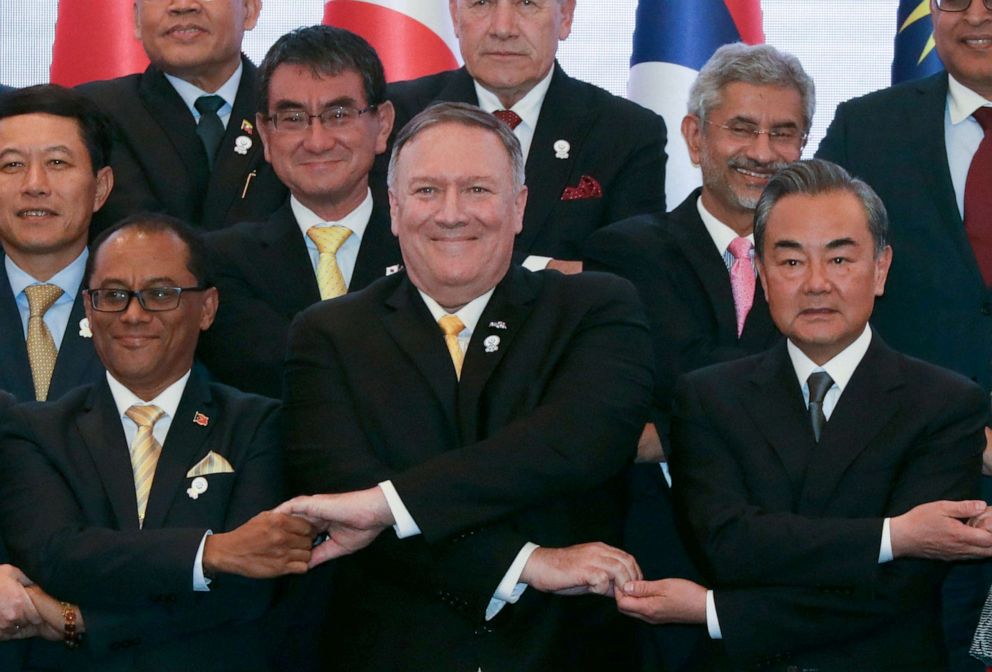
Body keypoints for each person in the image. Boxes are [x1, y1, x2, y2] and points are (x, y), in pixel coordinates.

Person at [277, 102, 653, 671]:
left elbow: (577, 443)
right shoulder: (327, 334)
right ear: (396, 210)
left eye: (478, 190)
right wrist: (525, 562)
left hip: (566, 651)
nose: (453, 214)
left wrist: (389, 502)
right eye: (427, 192)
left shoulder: (594, 307)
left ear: (519, 206)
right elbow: (343, 501)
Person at [616, 159, 990, 670]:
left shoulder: (947, 403)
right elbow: (729, 546)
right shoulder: (707, 398)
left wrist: (715, 611)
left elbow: (899, 588)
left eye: (840, 260)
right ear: (763, 275)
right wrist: (891, 535)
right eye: (791, 262)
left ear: (880, 268)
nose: (816, 284)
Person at [583, 42, 811, 671]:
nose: (762, 152)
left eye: (783, 132)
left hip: (794, 571)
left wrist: (674, 418)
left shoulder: (827, 268)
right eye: (741, 127)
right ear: (694, 135)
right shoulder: (624, 257)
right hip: (655, 570)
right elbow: (617, 422)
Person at [0, 214, 314, 671]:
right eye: (113, 295)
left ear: (207, 308)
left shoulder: (256, 424)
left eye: (161, 294)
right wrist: (211, 552)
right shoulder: (37, 430)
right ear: (89, 308)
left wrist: (82, 620)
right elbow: (61, 556)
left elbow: (249, 589)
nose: (133, 313)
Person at [816, 2, 992, 667]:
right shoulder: (866, 128)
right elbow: (816, 296)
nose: (976, 15)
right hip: (904, 493)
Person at [384, 0, 667, 273]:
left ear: (565, 15)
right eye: (482, 3)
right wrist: (549, 267)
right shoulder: (394, 118)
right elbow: (379, 251)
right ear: (455, 15)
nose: (503, 28)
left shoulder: (627, 132)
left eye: (527, 3)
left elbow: (633, 273)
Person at [198, 25, 401, 398]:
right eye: (292, 119)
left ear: (382, 124)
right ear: (265, 133)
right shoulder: (220, 263)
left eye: (338, 114)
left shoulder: (428, 248)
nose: (317, 141)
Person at [78, 0, 286, 236]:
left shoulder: (296, 113)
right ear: (136, 19)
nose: (183, 5)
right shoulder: (92, 114)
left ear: (249, 10)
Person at [0, 85, 112, 402]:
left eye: (57, 163)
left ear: (101, 188)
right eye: (12, 165)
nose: (34, 185)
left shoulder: (144, 302)